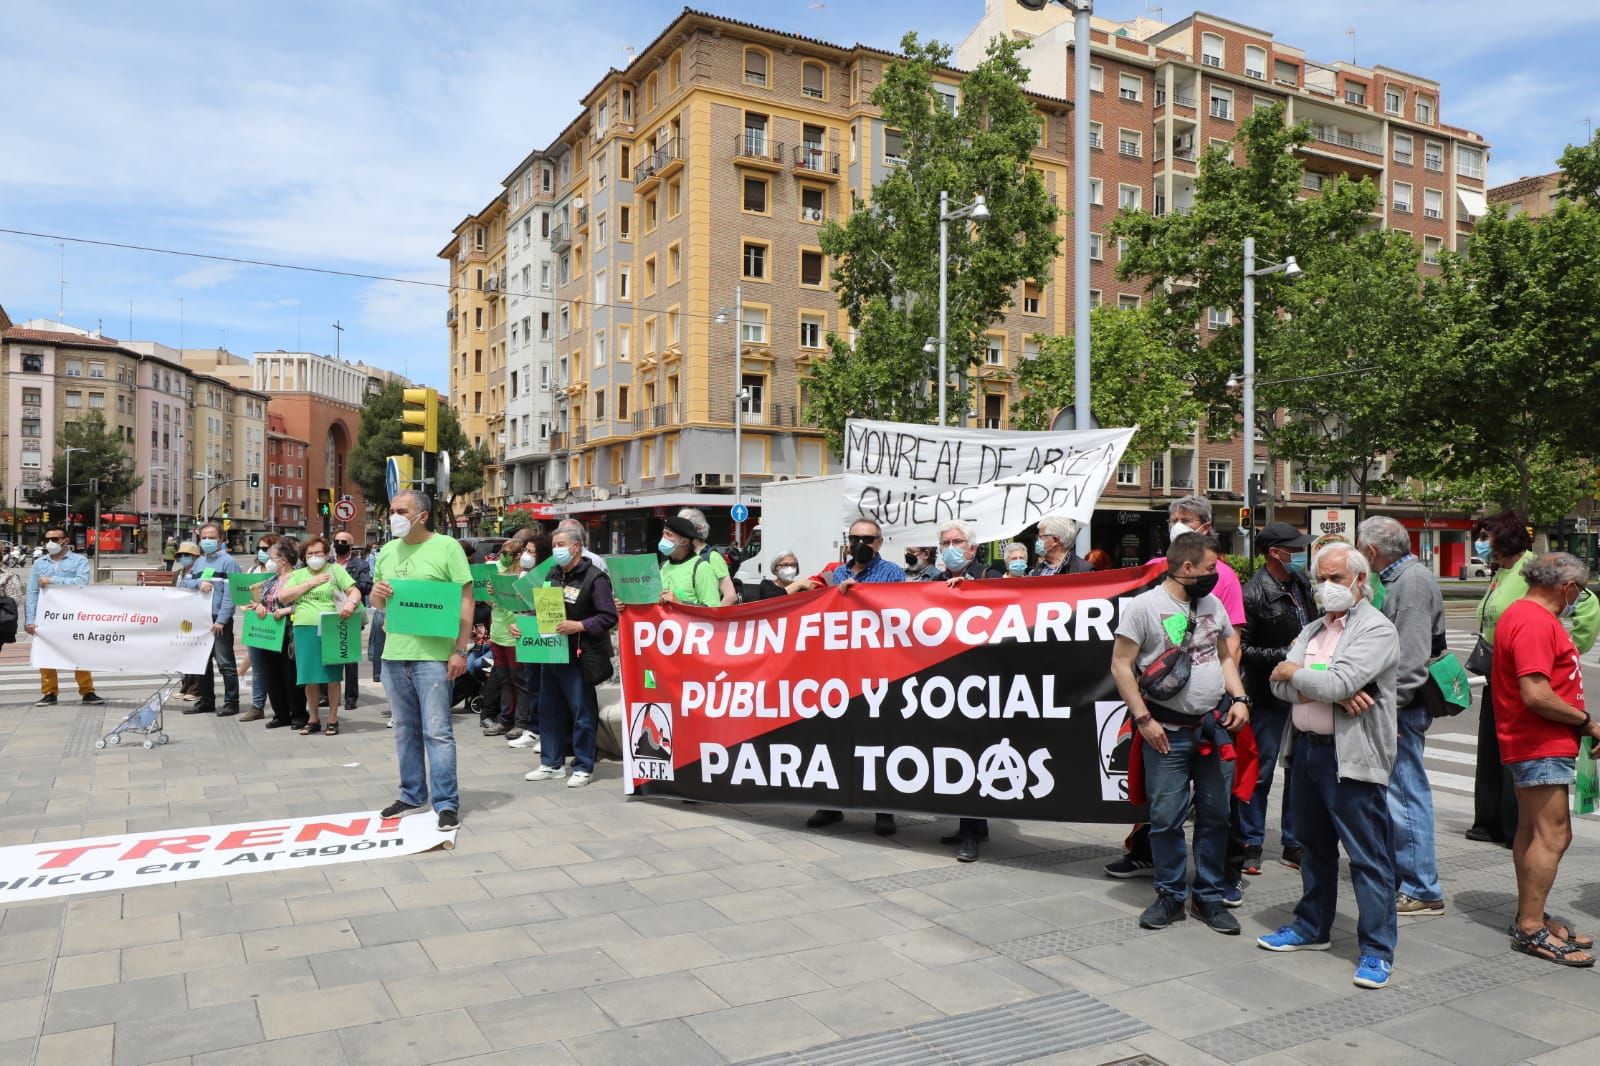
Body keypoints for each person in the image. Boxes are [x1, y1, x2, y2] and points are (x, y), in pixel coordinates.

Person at [1260, 542, 1401, 990]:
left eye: (1336, 578)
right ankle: (1310, 927)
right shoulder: (1315, 628)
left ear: (1360, 580)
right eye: (1321, 578)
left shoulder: (1376, 630)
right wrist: (1322, 689)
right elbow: (1274, 685)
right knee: (1312, 848)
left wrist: (1298, 676)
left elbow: (1336, 679)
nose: (1327, 587)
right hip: (1306, 750)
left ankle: (1377, 949)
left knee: (1367, 856)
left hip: (1350, 758)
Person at [1110, 532, 1250, 936]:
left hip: (1213, 729)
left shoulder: (1213, 603)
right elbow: (1122, 665)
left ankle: (1207, 897)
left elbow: (1225, 655)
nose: (1216, 575)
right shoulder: (1144, 607)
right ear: (1187, 568)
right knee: (1165, 819)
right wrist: (1143, 719)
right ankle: (1170, 894)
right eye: (1210, 568)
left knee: (1216, 817)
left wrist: (1240, 698)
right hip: (1166, 734)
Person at [1492, 552, 1599, 967]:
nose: (1580, 597)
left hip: (1536, 741)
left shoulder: (1524, 615)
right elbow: (1535, 693)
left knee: (1532, 831)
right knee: (1554, 836)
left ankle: (1529, 915)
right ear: (1568, 586)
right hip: (1539, 742)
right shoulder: (1535, 621)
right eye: (1582, 590)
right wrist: (1588, 722)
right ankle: (1532, 927)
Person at [1467, 511, 1599, 844]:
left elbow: (1585, 603)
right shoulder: (1503, 572)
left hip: (1525, 672)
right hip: (1501, 673)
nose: (1481, 543)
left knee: (1539, 820)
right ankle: (1492, 822)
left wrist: (1566, 649)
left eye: (1487, 536)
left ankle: (1510, 826)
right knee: (1495, 756)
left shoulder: (1533, 573)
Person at [1357, 515, 1448, 916]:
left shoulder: (1410, 583)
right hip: (1399, 705)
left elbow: (1410, 661)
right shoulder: (1401, 578)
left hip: (1402, 708)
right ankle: (1407, 876)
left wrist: (1388, 714)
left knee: (1406, 795)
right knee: (1399, 792)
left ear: (1372, 551)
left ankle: (1421, 887)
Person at [370, 490, 474, 830]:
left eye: (402, 510)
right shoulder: (387, 551)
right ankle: (412, 794)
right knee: (404, 730)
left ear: (422, 515)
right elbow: (380, 603)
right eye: (392, 511)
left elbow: (465, 600)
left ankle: (446, 803)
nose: (394, 516)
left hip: (433, 657)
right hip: (394, 655)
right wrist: (377, 596)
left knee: (438, 732)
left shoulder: (447, 548)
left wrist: (460, 650)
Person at [809, 517, 904, 836]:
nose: (860, 544)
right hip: (840, 671)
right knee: (837, 739)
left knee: (877, 741)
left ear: (879, 542)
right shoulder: (837, 573)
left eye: (867, 539)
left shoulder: (892, 573)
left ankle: (883, 808)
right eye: (855, 538)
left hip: (877, 671)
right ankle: (833, 804)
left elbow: (900, 612)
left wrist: (860, 595)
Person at [1238, 521, 1319, 876]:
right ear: (1275, 553)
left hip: (1304, 691)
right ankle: (1250, 842)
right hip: (1268, 694)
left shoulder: (1301, 583)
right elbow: (1239, 650)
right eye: (1294, 547)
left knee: (1301, 770)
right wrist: (1281, 655)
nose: (1301, 553)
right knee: (1261, 771)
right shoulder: (1252, 593)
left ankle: (1295, 842)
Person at [522, 525, 617, 787]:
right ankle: (551, 762)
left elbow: (609, 616)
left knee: (581, 712)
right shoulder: (552, 574)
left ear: (576, 547)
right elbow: (541, 607)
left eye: (561, 544)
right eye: (554, 545)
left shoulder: (595, 578)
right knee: (549, 709)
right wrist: (524, 623)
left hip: (580, 655)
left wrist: (581, 625)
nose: (556, 550)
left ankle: (584, 765)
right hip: (551, 652)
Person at [274, 536, 361, 736]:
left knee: (332, 676)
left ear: (326, 554)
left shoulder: (334, 570)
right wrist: (310, 583)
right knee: (309, 677)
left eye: (319, 553)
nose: (314, 557)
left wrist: (350, 604)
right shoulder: (299, 574)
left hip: (331, 626)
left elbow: (354, 590)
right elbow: (284, 596)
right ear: (304, 556)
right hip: (304, 627)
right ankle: (313, 718)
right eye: (310, 553)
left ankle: (332, 718)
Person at [23, 527, 103, 706]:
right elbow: (32, 592)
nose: (50, 543)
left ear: (65, 541)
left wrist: (52, 580)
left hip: (73, 616)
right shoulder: (39, 563)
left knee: (78, 653)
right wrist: (30, 619)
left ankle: (87, 691)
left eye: (55, 539)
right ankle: (49, 692)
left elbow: (81, 583)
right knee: (46, 653)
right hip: (46, 617)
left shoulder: (79, 561)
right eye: (47, 539)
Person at [176, 522, 242, 717]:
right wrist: (199, 582)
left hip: (218, 620)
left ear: (221, 539)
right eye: (203, 537)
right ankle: (206, 701)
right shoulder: (199, 562)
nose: (207, 541)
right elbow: (184, 582)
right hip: (200, 619)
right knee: (202, 662)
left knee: (225, 663)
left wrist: (221, 620)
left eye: (211, 537)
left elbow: (231, 595)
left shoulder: (229, 562)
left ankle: (232, 702)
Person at [251, 537, 308, 731]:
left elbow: (306, 603)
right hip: (269, 634)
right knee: (272, 675)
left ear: (283, 559)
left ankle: (299, 714)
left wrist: (287, 610)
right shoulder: (270, 581)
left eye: (272, 557)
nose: (269, 560)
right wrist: (259, 607)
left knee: (290, 674)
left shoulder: (298, 578)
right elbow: (262, 602)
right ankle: (280, 714)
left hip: (290, 633)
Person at [482, 532, 533, 738]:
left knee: (519, 679)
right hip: (498, 632)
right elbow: (489, 604)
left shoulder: (524, 575)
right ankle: (505, 719)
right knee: (504, 679)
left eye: (509, 553)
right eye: (503, 552)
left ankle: (521, 721)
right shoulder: (497, 571)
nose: (504, 556)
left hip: (515, 633)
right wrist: (490, 594)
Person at [508, 531, 552, 749]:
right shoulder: (523, 575)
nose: (526, 555)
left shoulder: (550, 575)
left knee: (546, 686)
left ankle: (546, 732)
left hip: (545, 635)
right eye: (525, 550)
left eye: (531, 552)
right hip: (526, 632)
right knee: (532, 683)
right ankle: (533, 729)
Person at [239, 534, 280, 723]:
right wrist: (247, 607)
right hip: (255, 623)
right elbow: (242, 600)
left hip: (276, 624)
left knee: (277, 669)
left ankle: (282, 707)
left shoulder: (285, 574)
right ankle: (257, 707)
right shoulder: (253, 570)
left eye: (267, 549)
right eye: (261, 549)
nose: (263, 553)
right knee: (258, 668)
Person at [333, 532, 373, 712]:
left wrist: (348, 586)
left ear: (351, 545)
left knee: (349, 658)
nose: (339, 544)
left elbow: (366, 585)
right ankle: (328, 695)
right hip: (329, 613)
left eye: (343, 542)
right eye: (337, 541)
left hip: (351, 613)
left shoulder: (360, 564)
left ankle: (350, 697)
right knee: (330, 655)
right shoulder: (328, 564)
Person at [677, 507, 737, 606]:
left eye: (682, 525)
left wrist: (711, 618)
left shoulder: (712, 557)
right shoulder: (680, 557)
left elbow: (730, 596)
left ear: (698, 528)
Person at [659, 516, 723, 607]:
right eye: (663, 534)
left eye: (668, 534)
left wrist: (681, 604)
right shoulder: (663, 567)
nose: (663, 538)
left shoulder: (701, 568)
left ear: (684, 542)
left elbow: (713, 609)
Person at [920, 520, 1005, 583]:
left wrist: (966, 589)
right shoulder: (937, 580)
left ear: (972, 548)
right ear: (940, 550)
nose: (950, 547)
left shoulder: (990, 576)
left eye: (957, 541)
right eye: (945, 543)